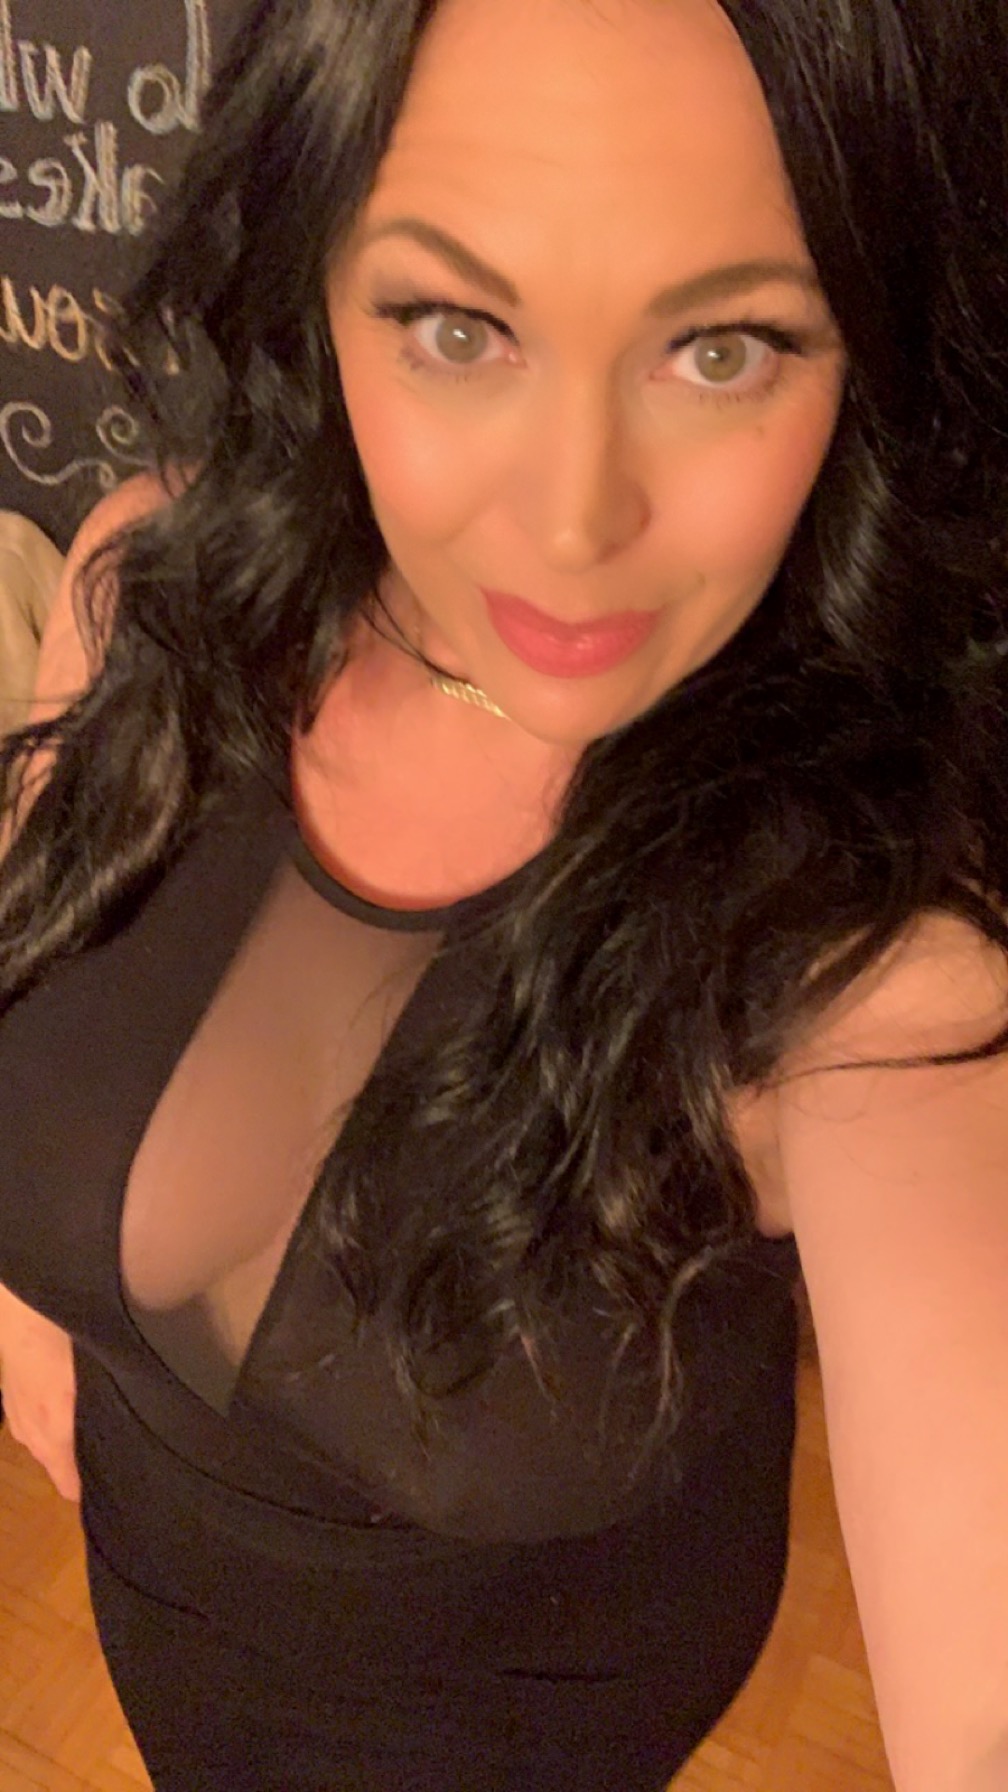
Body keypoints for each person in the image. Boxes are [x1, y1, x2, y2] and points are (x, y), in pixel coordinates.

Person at [0, 0, 1006, 1787]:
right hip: (164, 1632)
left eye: (721, 349)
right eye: (458, 327)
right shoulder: (144, 591)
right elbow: (53, 966)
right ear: (315, 278)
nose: (572, 523)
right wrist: (44, 1289)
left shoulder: (873, 961)